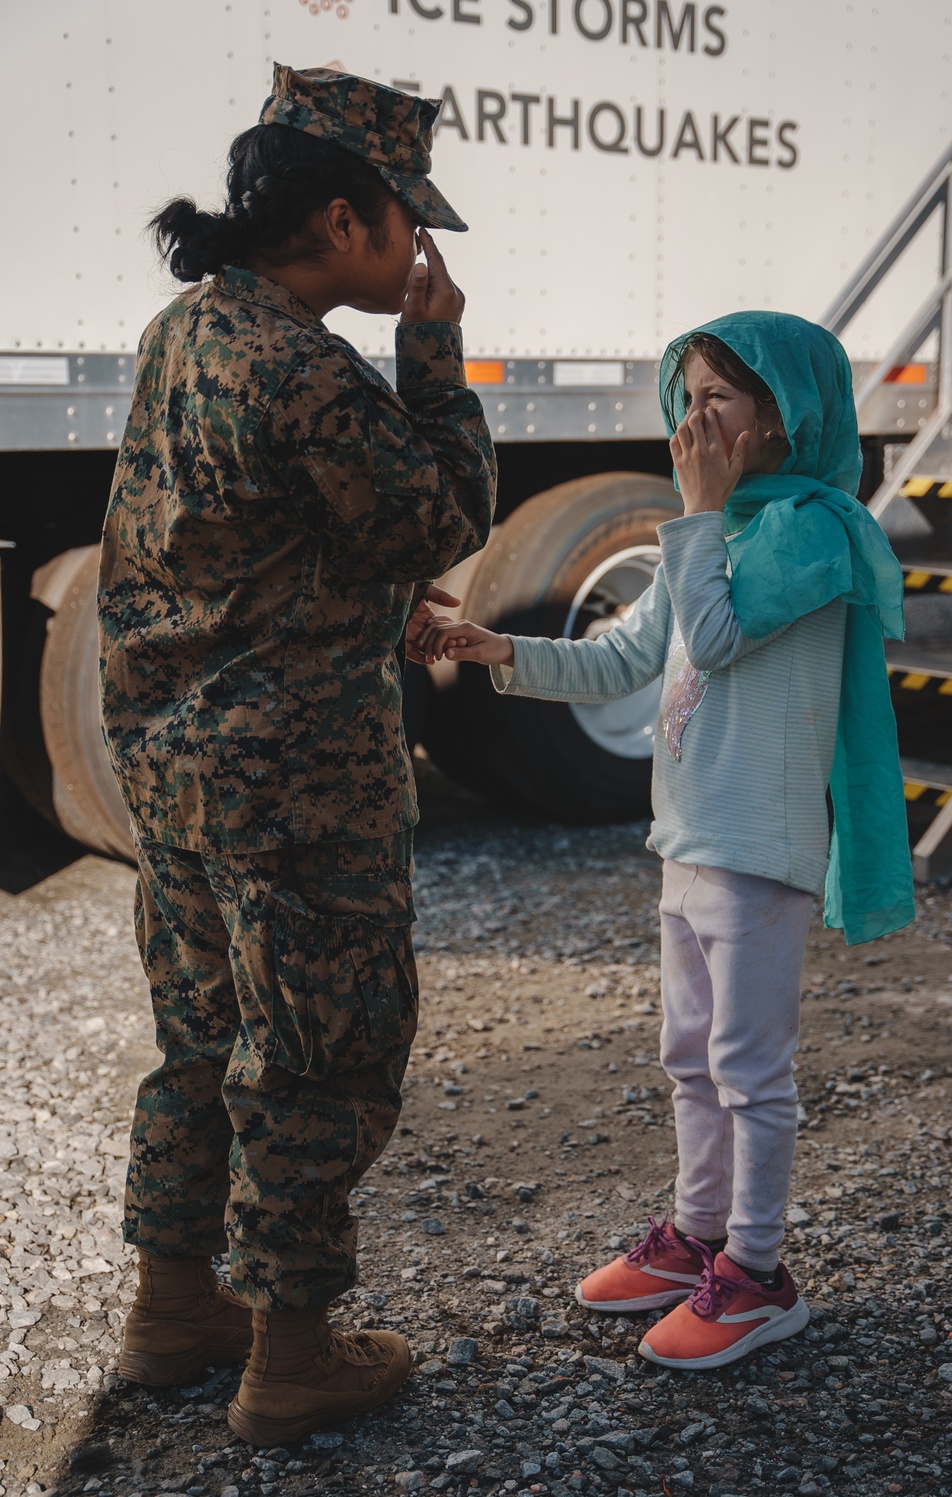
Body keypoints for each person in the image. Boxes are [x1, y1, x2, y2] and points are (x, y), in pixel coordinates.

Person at [97, 64, 496, 1444]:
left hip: (181, 768)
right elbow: (433, 512)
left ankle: (168, 1312)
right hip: (298, 780)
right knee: (320, 1052)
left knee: (203, 1037)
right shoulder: (304, 364)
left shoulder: (188, 328)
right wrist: (435, 358)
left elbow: (227, 546)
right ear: (343, 220)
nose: (420, 254)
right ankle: (291, 1355)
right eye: (408, 225)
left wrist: (364, 611)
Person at [413, 311, 914, 1371]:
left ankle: (760, 1274)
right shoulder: (717, 534)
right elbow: (620, 658)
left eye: (721, 398)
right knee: (687, 1056)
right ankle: (696, 1237)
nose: (695, 418)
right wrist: (496, 646)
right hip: (687, 846)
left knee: (747, 1069)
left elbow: (722, 640)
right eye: (686, 396)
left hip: (758, 851)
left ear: (788, 418)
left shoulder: (812, 533)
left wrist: (688, 518)